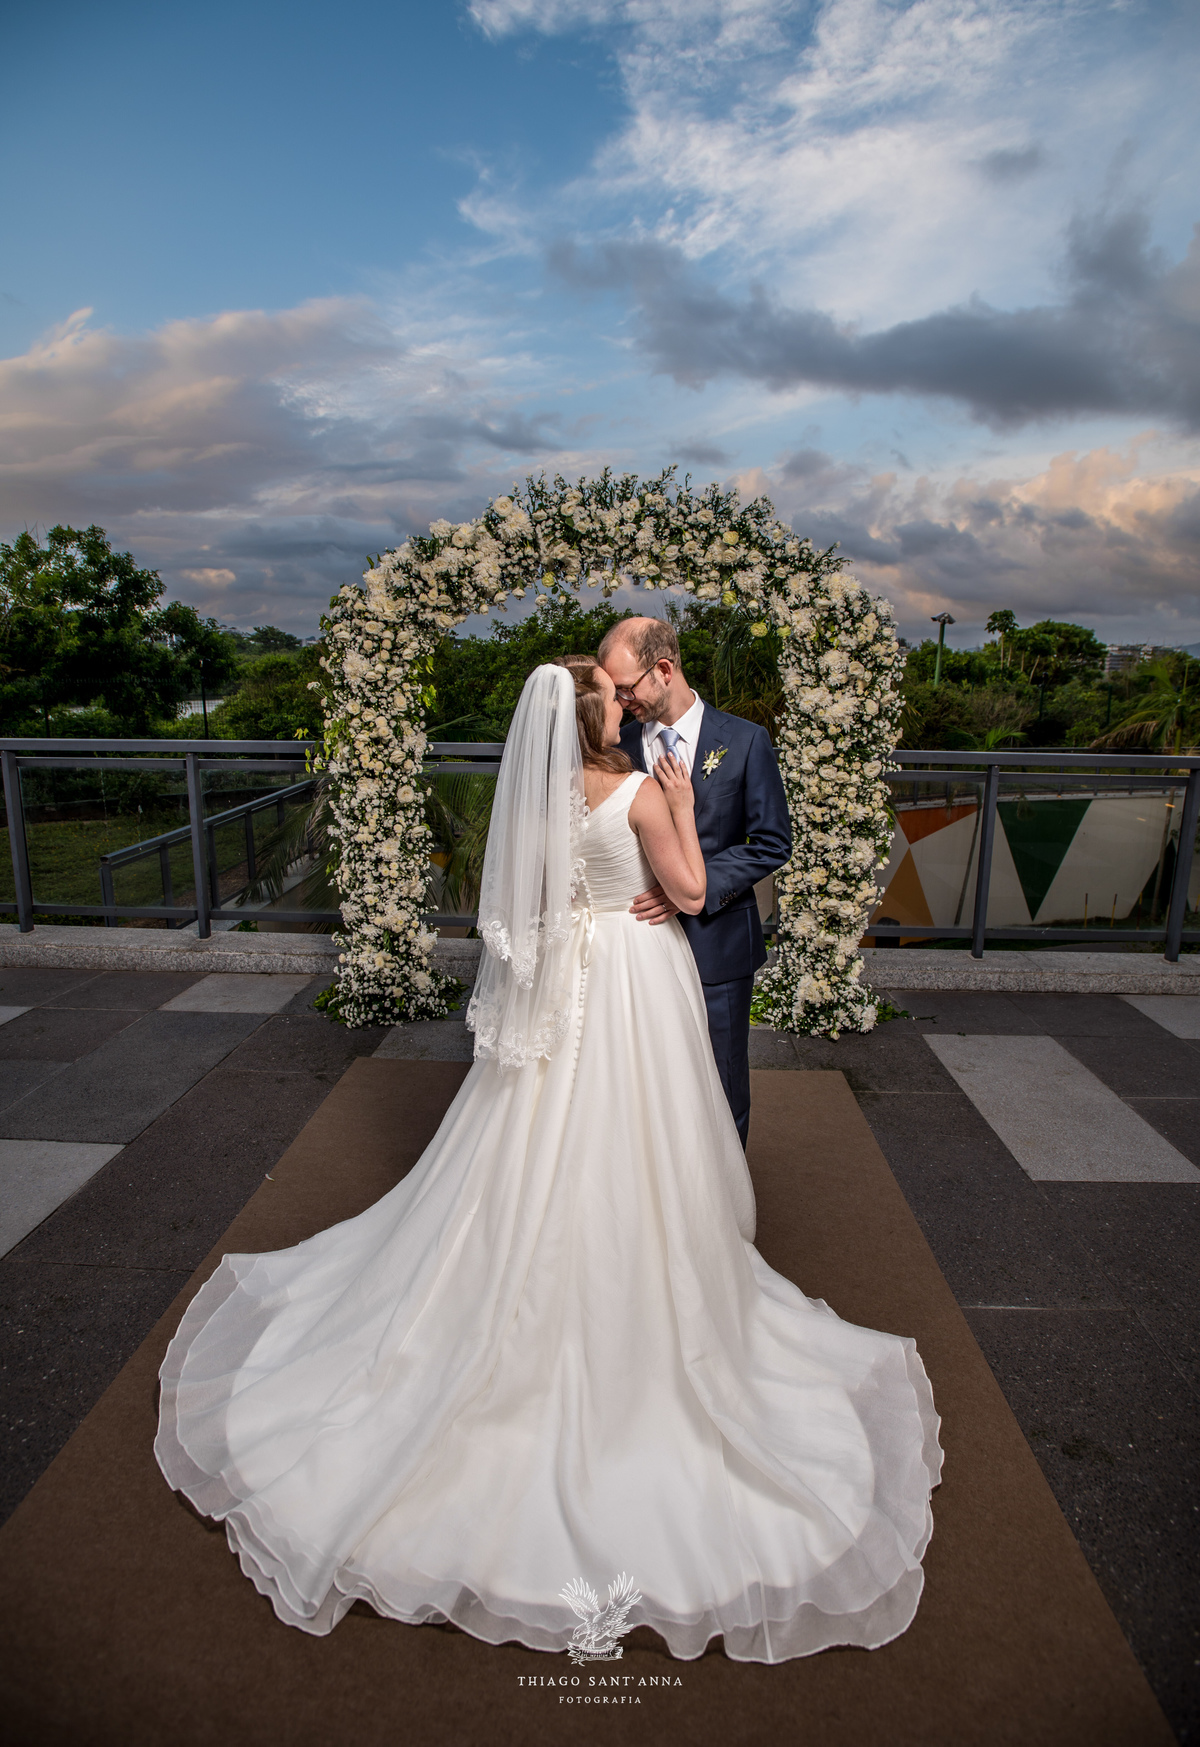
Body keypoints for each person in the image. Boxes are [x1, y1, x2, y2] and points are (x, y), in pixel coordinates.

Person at [155, 659, 941, 1662]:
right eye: (615, 695)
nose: (629, 703)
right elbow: (691, 891)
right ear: (593, 713)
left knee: (534, 1138)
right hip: (634, 982)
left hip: (568, 980)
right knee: (643, 1137)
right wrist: (679, 808)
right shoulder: (640, 792)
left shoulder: (539, 796)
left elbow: (535, 906)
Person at [597, 617, 790, 1148]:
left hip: (717, 943)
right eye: (614, 692)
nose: (621, 702)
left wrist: (688, 891)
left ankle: (727, 1195)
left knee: (722, 1080)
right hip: (636, 948)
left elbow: (771, 842)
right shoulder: (614, 747)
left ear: (664, 669)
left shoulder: (746, 741)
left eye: (626, 688)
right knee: (644, 1083)